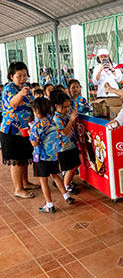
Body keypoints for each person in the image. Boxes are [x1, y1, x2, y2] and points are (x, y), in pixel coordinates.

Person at [0, 62, 40, 199]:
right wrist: (22, 94)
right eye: (19, 76)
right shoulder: (8, 88)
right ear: (11, 76)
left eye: (24, 75)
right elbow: (13, 103)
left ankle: (25, 182)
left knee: (24, 157)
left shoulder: (26, 89)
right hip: (12, 130)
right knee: (16, 160)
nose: (23, 78)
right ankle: (18, 189)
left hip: (25, 130)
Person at [29, 98, 75, 213]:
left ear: (36, 111)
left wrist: (30, 133)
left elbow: (34, 143)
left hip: (41, 157)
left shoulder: (36, 126)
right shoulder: (53, 122)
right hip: (53, 156)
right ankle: (66, 196)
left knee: (43, 181)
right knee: (55, 175)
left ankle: (49, 205)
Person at [51, 91, 81, 195]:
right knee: (70, 168)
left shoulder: (65, 115)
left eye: (68, 106)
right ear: (57, 106)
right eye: (65, 107)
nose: (67, 109)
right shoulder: (57, 118)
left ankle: (67, 183)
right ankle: (66, 186)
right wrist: (71, 120)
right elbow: (64, 132)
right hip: (63, 148)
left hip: (71, 145)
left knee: (75, 166)